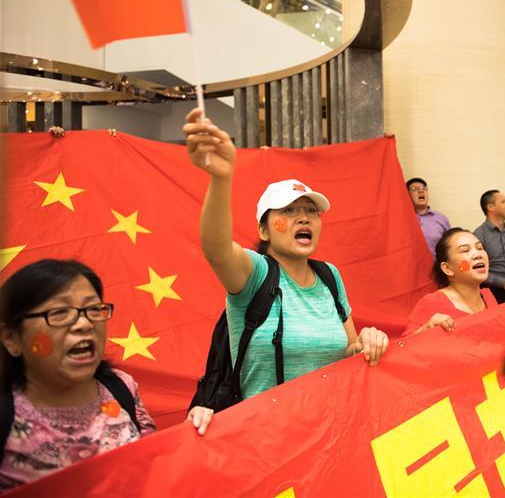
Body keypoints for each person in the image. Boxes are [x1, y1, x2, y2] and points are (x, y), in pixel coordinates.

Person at [182, 108, 388, 402]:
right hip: (268, 437)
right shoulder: (255, 274)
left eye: (310, 211)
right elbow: (216, 248)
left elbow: (347, 353)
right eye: (289, 211)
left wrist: (366, 343)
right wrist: (221, 178)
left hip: (331, 428)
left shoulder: (330, 276)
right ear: (264, 231)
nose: (303, 218)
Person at [0, 259, 212, 491]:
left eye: (93, 310)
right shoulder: (7, 414)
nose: (84, 324)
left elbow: (151, 465)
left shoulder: (121, 386)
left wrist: (191, 433)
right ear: (11, 338)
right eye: (59, 312)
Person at [404, 228, 505, 336]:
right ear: (447, 268)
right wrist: (425, 330)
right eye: (465, 250)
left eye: (480, 248)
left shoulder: (488, 297)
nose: (478, 254)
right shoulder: (431, 303)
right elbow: (403, 351)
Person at [473, 190, 505, 304]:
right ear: (490, 207)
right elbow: (477, 268)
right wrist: (503, 283)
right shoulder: (478, 235)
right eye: (503, 202)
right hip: (493, 290)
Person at [406, 177, 451, 259]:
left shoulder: (441, 218)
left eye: (423, 188)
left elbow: (449, 246)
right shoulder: (402, 219)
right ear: (406, 194)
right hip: (410, 268)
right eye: (414, 189)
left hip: (436, 268)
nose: (420, 191)